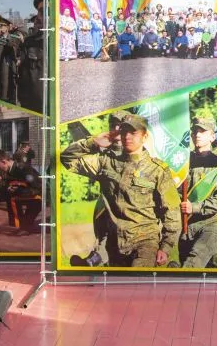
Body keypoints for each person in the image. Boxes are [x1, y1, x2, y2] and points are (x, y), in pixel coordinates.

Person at [60, 111, 180, 267]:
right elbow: (67, 159)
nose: (127, 136)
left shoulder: (157, 170)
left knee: (137, 280)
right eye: (124, 132)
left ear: (144, 136)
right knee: (117, 282)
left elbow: (172, 211)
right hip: (114, 243)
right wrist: (93, 142)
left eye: (133, 132)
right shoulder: (106, 162)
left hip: (145, 242)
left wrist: (166, 247)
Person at [181, 116, 217, 268]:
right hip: (182, 224)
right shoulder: (182, 162)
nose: (197, 134)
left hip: (209, 224)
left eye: (203, 131)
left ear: (212, 137)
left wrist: (195, 207)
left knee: (193, 263)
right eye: (195, 131)